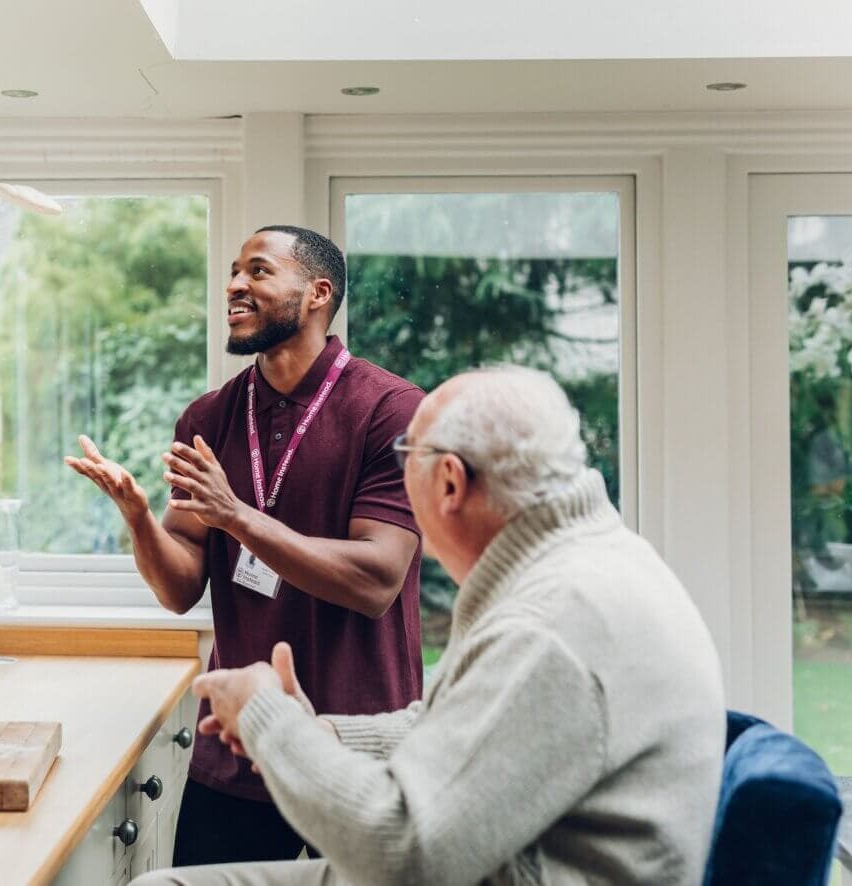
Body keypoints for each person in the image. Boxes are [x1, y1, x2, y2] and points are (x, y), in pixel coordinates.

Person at [133, 366, 726, 886]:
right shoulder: (590, 562)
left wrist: (269, 720)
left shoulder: (548, 623)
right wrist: (326, 733)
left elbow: (402, 855)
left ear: (448, 482)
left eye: (403, 461)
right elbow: (474, 725)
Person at [65, 226, 425, 865]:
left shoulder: (392, 410)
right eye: (233, 271)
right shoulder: (208, 418)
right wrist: (141, 520)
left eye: (258, 271)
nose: (234, 285)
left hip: (358, 752)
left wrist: (236, 515)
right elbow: (179, 590)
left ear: (317, 293)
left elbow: (376, 581)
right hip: (235, 754)